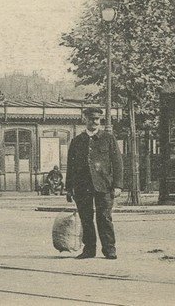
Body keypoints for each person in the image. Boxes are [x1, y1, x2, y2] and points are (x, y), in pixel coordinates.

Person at [66, 107, 123, 260]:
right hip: (82, 186)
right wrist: (68, 188)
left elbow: (117, 163)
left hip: (104, 185)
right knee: (86, 218)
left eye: (97, 119)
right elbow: (70, 166)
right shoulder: (77, 141)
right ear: (85, 119)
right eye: (91, 119)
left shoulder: (108, 139)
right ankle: (89, 250)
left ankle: (109, 249)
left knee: (104, 217)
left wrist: (118, 185)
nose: (95, 122)